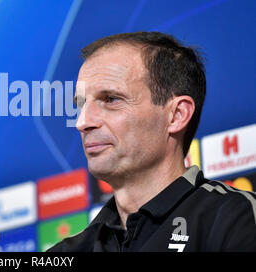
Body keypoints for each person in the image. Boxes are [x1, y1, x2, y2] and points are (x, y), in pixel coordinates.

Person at [47, 31, 256, 252]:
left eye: (111, 99)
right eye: (81, 105)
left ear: (176, 115)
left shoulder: (237, 218)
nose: (82, 122)